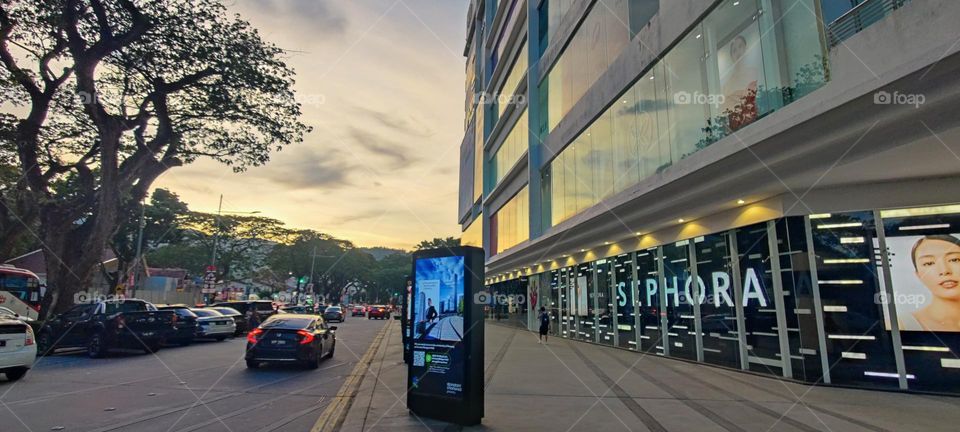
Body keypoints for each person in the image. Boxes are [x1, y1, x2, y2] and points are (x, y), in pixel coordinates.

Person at [904, 235, 960, 331]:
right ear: (918, 275)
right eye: (929, 263)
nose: (944, 270)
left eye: (954, 259)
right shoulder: (903, 324)